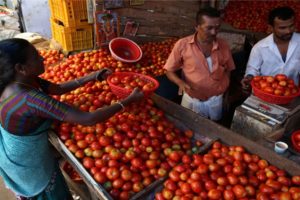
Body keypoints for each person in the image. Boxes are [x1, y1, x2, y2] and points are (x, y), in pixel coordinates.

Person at [0, 38, 144, 200]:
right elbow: (87, 118)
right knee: (49, 193)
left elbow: (59, 88)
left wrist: (92, 76)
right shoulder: (29, 98)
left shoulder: (24, 81)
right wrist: (127, 102)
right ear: (21, 68)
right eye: (36, 57)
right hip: (26, 160)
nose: (42, 58)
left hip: (18, 145)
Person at [163, 7, 235, 121]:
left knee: (214, 127)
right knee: (188, 127)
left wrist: (225, 90)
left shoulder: (224, 45)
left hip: (216, 99)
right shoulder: (183, 45)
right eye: (209, 28)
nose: (214, 32)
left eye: (217, 28)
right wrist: (180, 83)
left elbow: (229, 69)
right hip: (192, 99)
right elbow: (169, 70)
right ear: (197, 26)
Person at [241, 6, 300, 91]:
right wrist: (249, 78)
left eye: (291, 26)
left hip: (291, 93)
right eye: (282, 28)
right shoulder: (259, 47)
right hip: (265, 92)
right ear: (271, 28)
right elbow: (252, 70)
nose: (288, 31)